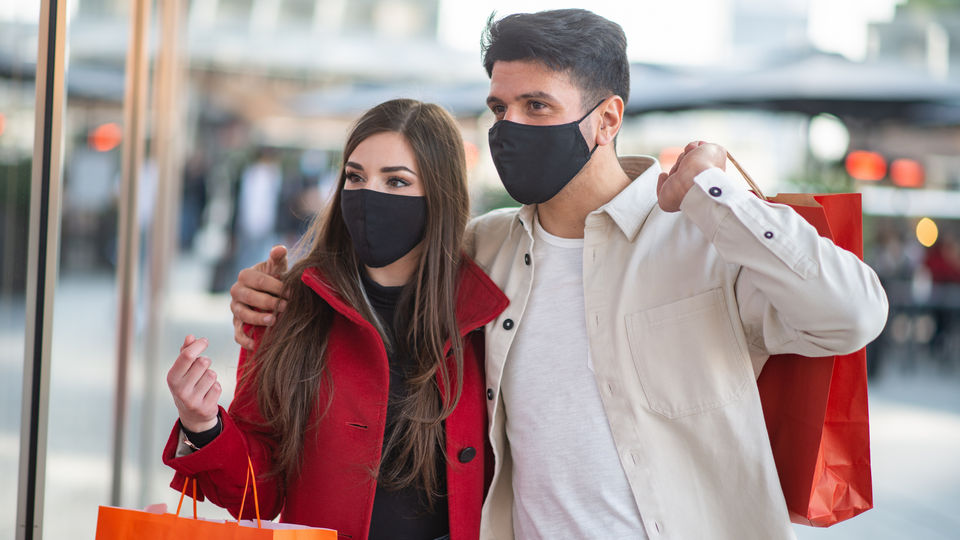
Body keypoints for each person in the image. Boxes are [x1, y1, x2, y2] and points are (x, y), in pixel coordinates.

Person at [228, 9, 889, 540]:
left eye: (537, 107)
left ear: (608, 119)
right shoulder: (483, 249)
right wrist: (274, 293)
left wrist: (721, 195)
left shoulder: (704, 236)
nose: (510, 127)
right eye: (498, 108)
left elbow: (851, 317)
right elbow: (377, 275)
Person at [163, 99, 508, 540]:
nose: (369, 196)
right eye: (356, 176)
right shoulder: (288, 307)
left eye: (397, 181)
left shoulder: (486, 316)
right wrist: (203, 424)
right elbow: (258, 495)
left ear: (440, 194)